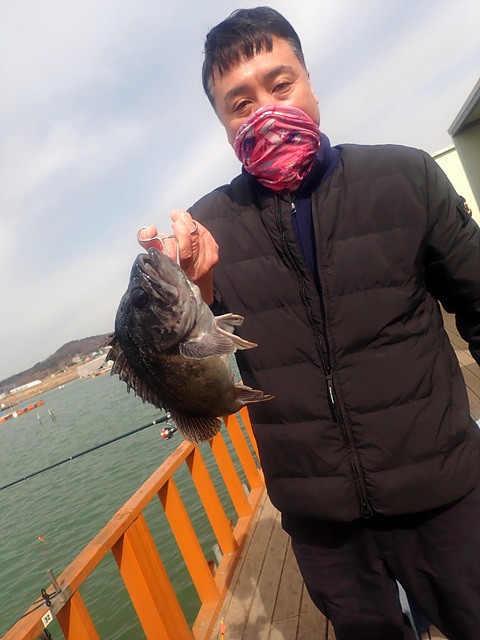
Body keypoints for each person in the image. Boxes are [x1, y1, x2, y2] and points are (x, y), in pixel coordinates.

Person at [145, 8, 480, 640]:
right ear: (223, 125)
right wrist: (195, 289)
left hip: (444, 492)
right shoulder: (207, 232)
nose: (266, 111)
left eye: (281, 84)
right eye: (240, 104)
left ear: (311, 82)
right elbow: (187, 360)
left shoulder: (406, 177)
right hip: (321, 523)